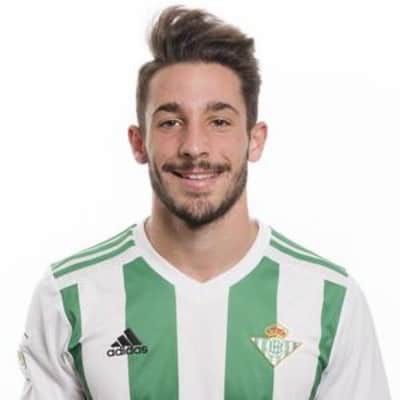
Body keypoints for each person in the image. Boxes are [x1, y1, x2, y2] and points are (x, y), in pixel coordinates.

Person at [18, 5, 391, 400]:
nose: (194, 146)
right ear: (138, 142)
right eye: (170, 122)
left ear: (255, 140)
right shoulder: (69, 295)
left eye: (219, 121)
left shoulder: (330, 299)